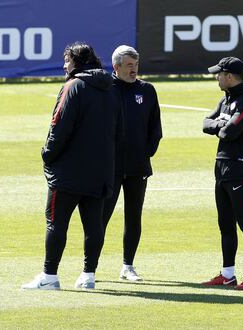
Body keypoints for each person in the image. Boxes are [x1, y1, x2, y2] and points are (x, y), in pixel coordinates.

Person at [21, 42, 118, 290]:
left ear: (77, 62)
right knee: (93, 225)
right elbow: (120, 131)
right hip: (101, 170)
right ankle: (88, 276)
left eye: (67, 61)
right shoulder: (111, 88)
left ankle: (49, 276)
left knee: (56, 222)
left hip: (69, 173)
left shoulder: (73, 86)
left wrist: (47, 154)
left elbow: (59, 126)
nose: (64, 66)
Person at [102, 45, 162, 281]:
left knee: (133, 216)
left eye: (135, 65)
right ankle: (90, 267)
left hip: (138, 167)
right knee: (101, 217)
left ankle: (128, 266)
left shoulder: (147, 90)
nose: (133, 70)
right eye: (129, 65)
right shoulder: (105, 89)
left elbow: (155, 128)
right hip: (110, 167)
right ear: (116, 67)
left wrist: (146, 152)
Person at [202, 57, 243, 290]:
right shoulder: (225, 100)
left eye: (218, 74)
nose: (216, 77)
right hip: (222, 167)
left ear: (228, 76)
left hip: (240, 168)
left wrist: (220, 125)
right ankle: (228, 274)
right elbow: (205, 124)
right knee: (225, 223)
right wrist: (221, 125)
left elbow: (230, 132)